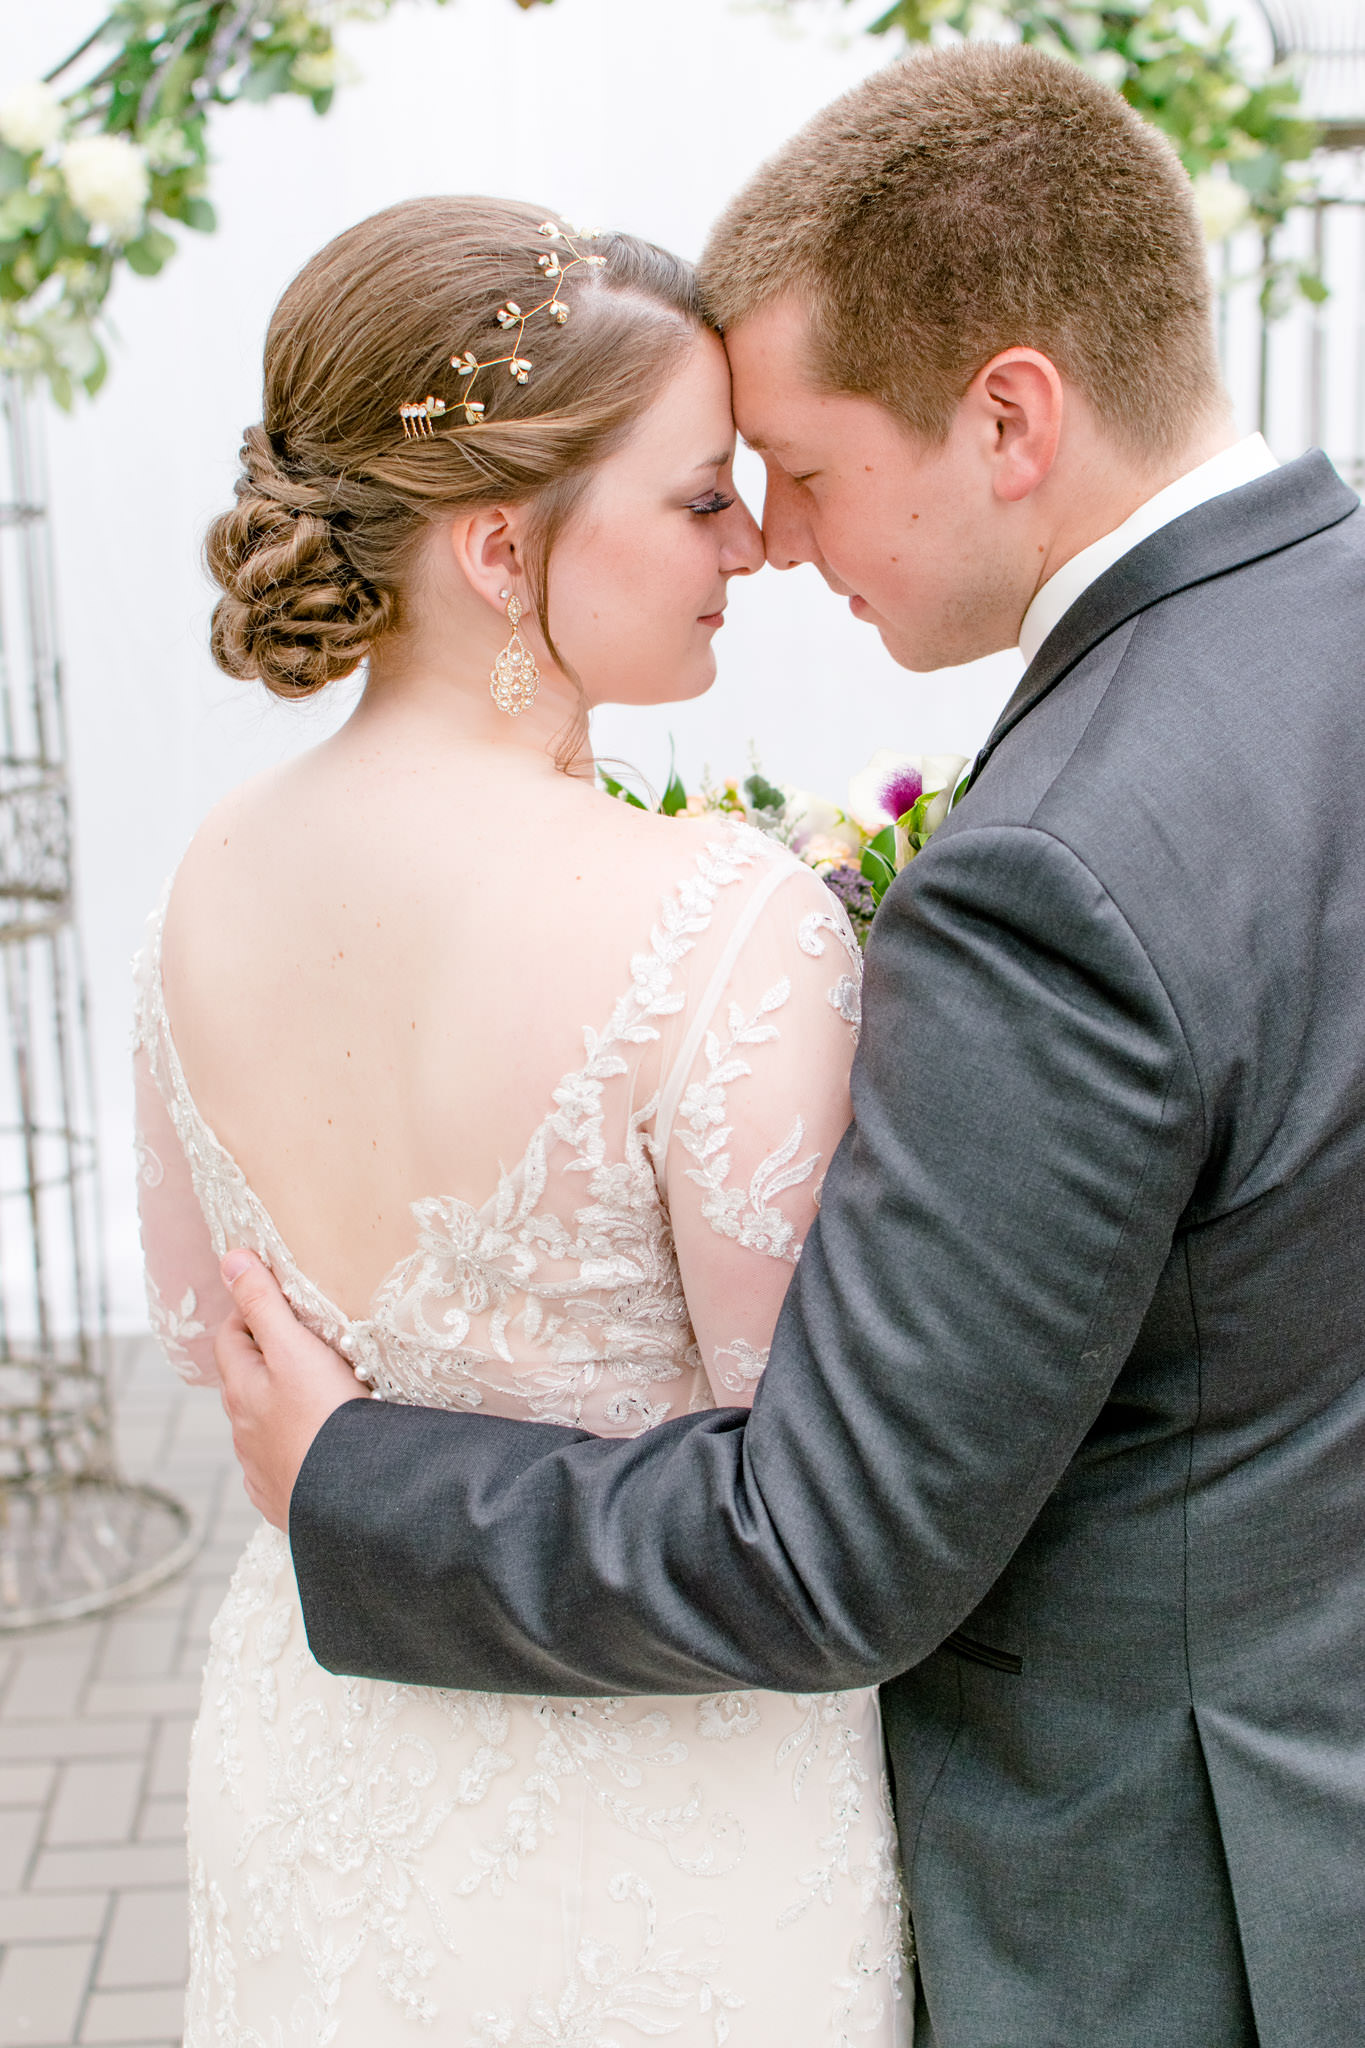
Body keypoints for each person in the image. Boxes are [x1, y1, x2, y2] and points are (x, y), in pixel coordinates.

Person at [214, 43, 1365, 2048]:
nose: (778, 544)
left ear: (1008, 416)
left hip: (1152, 1912)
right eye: (719, 490)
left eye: (807, 471)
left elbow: (830, 1548)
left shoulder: (1054, 871)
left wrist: (351, 1483)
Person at [135, 196, 910, 2044]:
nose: (754, 544)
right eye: (699, 496)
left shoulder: (209, 874)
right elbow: (787, 1451)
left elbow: (197, 1334)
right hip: (671, 1788)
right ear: (500, 548)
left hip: (333, 1744)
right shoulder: (719, 927)